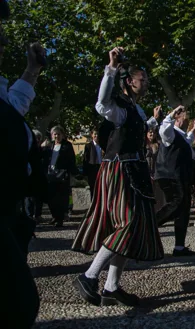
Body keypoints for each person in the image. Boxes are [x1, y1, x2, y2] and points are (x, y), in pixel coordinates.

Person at [72, 47, 164, 307]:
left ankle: (111, 287)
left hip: (135, 171)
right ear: (128, 81)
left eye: (146, 79)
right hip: (118, 171)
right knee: (129, 224)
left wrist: (155, 121)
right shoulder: (119, 108)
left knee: (131, 229)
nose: (145, 82)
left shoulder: (136, 109)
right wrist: (111, 68)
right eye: (141, 78)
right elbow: (101, 104)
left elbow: (143, 129)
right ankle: (89, 276)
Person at [0, 1, 46, 326]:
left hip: (9, 207)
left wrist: (32, 70)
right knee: (18, 301)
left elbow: (12, 105)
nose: (3, 42)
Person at [155, 107, 195, 256]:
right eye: (184, 118)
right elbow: (163, 131)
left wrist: (193, 130)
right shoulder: (171, 132)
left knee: (184, 209)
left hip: (180, 176)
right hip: (169, 175)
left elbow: (187, 142)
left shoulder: (182, 136)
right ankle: (149, 225)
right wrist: (170, 115)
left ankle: (179, 247)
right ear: (178, 119)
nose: (186, 119)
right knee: (177, 203)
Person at [43, 125, 78, 227]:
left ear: (62, 135)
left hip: (62, 175)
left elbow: (71, 161)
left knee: (61, 198)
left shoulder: (67, 146)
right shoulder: (49, 146)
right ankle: (54, 216)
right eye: (55, 134)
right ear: (52, 135)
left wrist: (73, 173)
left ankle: (60, 219)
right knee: (50, 198)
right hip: (51, 174)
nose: (57, 136)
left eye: (59, 134)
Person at [83, 129, 103, 199]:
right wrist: (85, 173)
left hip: (102, 168)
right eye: (95, 134)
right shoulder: (88, 146)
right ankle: (93, 204)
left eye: (97, 134)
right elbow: (85, 159)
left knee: (102, 187)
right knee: (93, 188)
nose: (96, 135)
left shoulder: (103, 145)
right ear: (92, 135)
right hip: (92, 169)